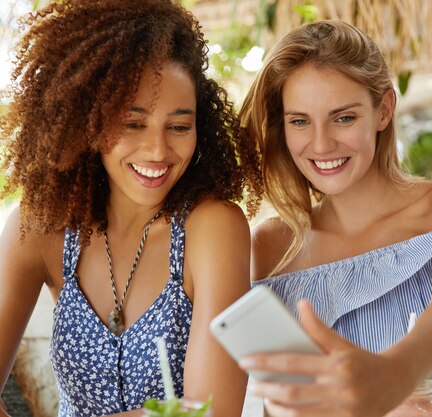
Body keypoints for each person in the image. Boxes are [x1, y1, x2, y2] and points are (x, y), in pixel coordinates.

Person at [0, 1, 263, 416]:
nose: (158, 150)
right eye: (132, 123)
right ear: (88, 120)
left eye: (179, 126)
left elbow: (209, 412)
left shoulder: (212, 228)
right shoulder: (40, 227)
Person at [239, 20, 432, 417]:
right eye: (300, 121)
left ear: (383, 110)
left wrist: (394, 373)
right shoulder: (272, 246)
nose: (322, 143)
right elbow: (281, 401)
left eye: (343, 117)